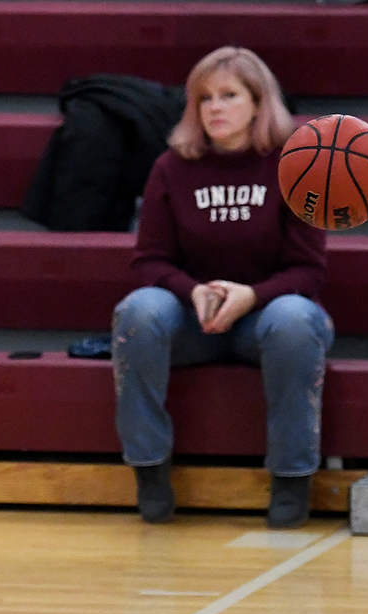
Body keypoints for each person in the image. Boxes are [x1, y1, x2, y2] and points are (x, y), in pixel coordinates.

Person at [111, 46, 332, 529]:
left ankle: (291, 478)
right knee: (139, 310)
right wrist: (192, 291)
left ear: (258, 102)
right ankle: (149, 469)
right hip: (194, 319)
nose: (215, 107)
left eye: (229, 95)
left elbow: (309, 270)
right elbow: (148, 260)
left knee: (295, 318)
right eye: (204, 98)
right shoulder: (171, 167)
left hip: (264, 319)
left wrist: (252, 295)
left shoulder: (294, 164)